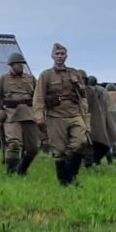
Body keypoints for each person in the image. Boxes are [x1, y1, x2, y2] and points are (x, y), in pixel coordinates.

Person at [32, 43, 89, 185]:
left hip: (74, 113)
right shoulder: (46, 75)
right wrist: (38, 114)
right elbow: (39, 96)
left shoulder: (74, 73)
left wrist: (77, 84)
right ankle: (64, 182)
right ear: (52, 56)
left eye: (62, 54)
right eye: (57, 54)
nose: (60, 56)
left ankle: (72, 174)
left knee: (81, 142)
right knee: (59, 149)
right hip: (55, 115)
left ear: (66, 56)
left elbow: (83, 93)